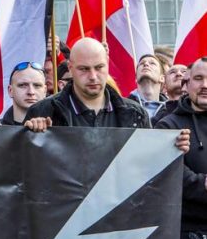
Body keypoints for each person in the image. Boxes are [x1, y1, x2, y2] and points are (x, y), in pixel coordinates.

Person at [24, 38, 191, 157]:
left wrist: (171, 148)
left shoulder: (135, 114)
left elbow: (147, 165)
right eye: (84, 69)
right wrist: (30, 136)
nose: (93, 76)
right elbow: (26, 171)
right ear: (70, 67)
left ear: (108, 64)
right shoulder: (43, 111)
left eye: (99, 67)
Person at [156, 57, 207, 239]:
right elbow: (167, 173)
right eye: (199, 78)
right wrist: (203, 185)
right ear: (186, 83)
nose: (205, 85)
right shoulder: (169, 125)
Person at [127, 54, 166, 118]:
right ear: (136, 78)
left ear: (162, 78)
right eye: (142, 63)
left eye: (152, 63)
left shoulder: (172, 110)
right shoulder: (122, 106)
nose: (146, 64)